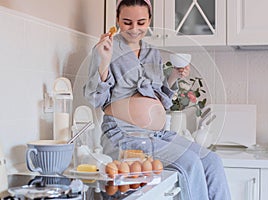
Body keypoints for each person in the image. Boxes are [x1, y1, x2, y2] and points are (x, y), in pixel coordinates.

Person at [83, 0, 231, 199]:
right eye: (127, 22)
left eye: (141, 22)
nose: (134, 29)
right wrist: (104, 62)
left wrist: (174, 77)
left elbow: (160, 98)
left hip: (158, 135)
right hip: (123, 134)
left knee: (212, 160)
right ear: (117, 19)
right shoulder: (106, 48)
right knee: (191, 162)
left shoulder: (152, 52)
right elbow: (95, 99)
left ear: (149, 21)